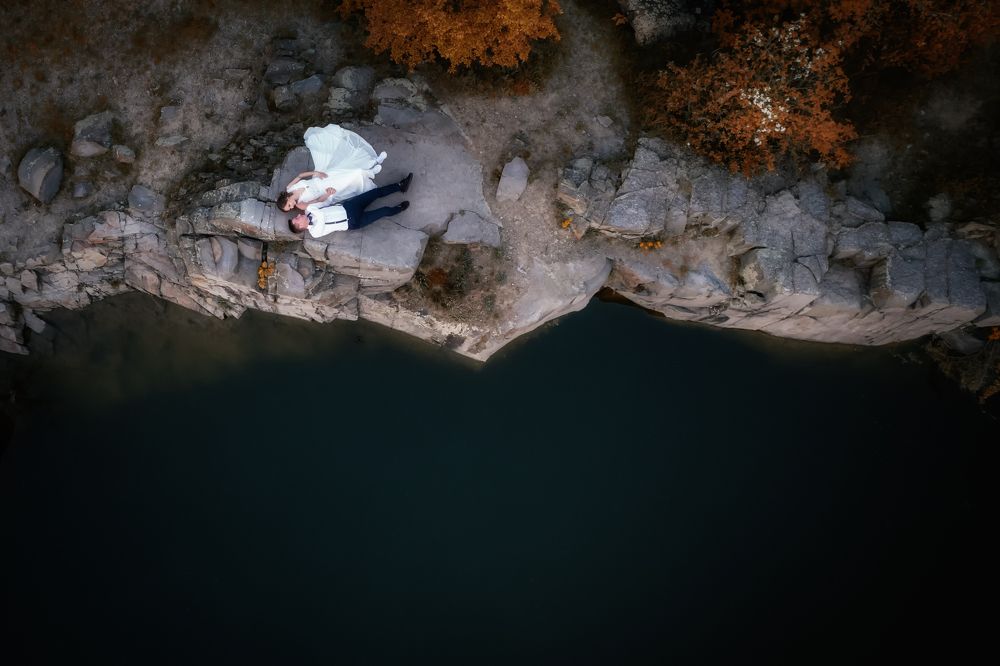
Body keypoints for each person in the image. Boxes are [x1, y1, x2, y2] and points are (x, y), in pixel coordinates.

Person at [277, 124, 387, 212]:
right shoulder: (301, 205)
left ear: (287, 199)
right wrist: (328, 193)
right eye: (290, 209)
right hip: (327, 188)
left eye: (289, 205)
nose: (292, 207)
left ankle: (374, 162)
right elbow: (317, 200)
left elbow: (300, 176)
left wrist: (317, 173)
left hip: (321, 177)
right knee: (354, 175)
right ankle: (371, 170)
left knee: (347, 167)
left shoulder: (290, 188)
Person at [289, 173, 413, 238]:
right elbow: (321, 217)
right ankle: (399, 208)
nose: (299, 215)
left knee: (375, 193)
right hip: (353, 221)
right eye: (297, 218)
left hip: (349, 207)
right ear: (300, 225)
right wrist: (310, 206)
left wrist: (329, 195)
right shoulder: (315, 232)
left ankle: (400, 186)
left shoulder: (309, 211)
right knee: (384, 211)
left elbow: (324, 203)